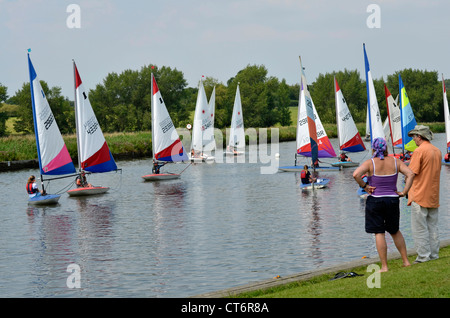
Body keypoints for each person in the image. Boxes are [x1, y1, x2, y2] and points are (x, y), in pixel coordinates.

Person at [353, 137, 414, 272]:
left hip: (375, 200)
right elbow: (410, 174)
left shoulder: (370, 163)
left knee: (379, 232)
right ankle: (406, 261)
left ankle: (385, 266)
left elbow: (356, 174)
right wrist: (404, 191)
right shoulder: (395, 161)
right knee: (395, 230)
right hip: (392, 200)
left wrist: (365, 186)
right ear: (386, 148)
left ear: (373, 149)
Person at [407, 125, 442, 263]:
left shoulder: (419, 151)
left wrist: (404, 190)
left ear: (419, 137)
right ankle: (434, 254)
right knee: (433, 226)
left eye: (414, 136)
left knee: (419, 227)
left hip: (419, 193)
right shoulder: (437, 151)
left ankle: (423, 256)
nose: (413, 139)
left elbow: (411, 173)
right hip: (433, 194)